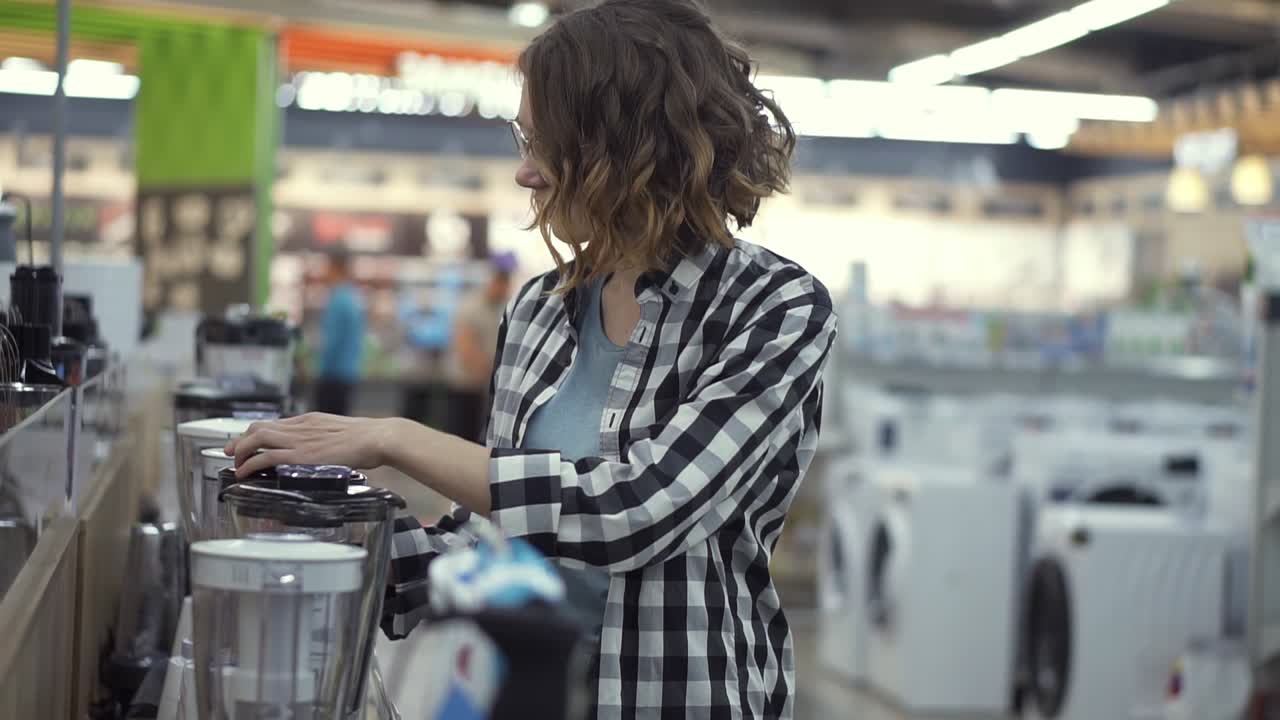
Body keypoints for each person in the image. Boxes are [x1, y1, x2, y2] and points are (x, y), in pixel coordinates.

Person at [227, 1, 836, 716]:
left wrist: (396, 438)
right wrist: (324, 534)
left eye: (546, 144)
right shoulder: (542, 309)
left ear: (631, 145)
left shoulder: (775, 308)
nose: (525, 174)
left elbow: (632, 512)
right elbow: (498, 542)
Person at [443, 252, 517, 442]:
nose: (504, 288)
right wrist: (497, 374)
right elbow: (466, 352)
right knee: (459, 441)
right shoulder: (470, 307)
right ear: (493, 281)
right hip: (464, 388)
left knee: (480, 442)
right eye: (501, 282)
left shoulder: (505, 307)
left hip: (488, 390)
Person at [313, 248, 365, 415]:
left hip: (333, 378)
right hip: (347, 375)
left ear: (336, 268)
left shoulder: (339, 300)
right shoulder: (352, 297)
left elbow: (331, 343)